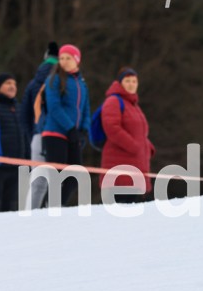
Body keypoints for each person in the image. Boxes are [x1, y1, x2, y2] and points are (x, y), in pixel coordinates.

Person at [41, 44, 91, 206]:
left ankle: (57, 205)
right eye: (61, 58)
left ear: (77, 60)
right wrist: (70, 128)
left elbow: (85, 109)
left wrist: (84, 130)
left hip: (73, 134)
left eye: (68, 58)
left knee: (75, 174)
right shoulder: (54, 79)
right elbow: (54, 107)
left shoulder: (82, 84)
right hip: (55, 133)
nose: (64, 61)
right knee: (57, 175)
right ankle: (49, 207)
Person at [100, 68, 155, 204]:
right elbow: (112, 128)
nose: (131, 84)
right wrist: (134, 146)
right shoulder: (113, 101)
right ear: (120, 83)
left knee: (131, 207)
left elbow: (139, 133)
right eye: (127, 81)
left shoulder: (133, 105)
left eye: (134, 81)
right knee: (120, 207)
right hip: (119, 163)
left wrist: (147, 147)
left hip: (135, 163)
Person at [21, 42, 59, 209]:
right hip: (60, 136)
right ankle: (53, 213)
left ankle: (32, 213)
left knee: (38, 180)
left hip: (38, 135)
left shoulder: (33, 83)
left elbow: (24, 115)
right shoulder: (66, 81)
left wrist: (33, 134)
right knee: (59, 179)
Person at [0, 73, 29, 211]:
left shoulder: (18, 107)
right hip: (1, 165)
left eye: (14, 84)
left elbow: (25, 134)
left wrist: (27, 159)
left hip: (17, 164)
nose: (12, 86)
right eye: (8, 83)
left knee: (11, 204)